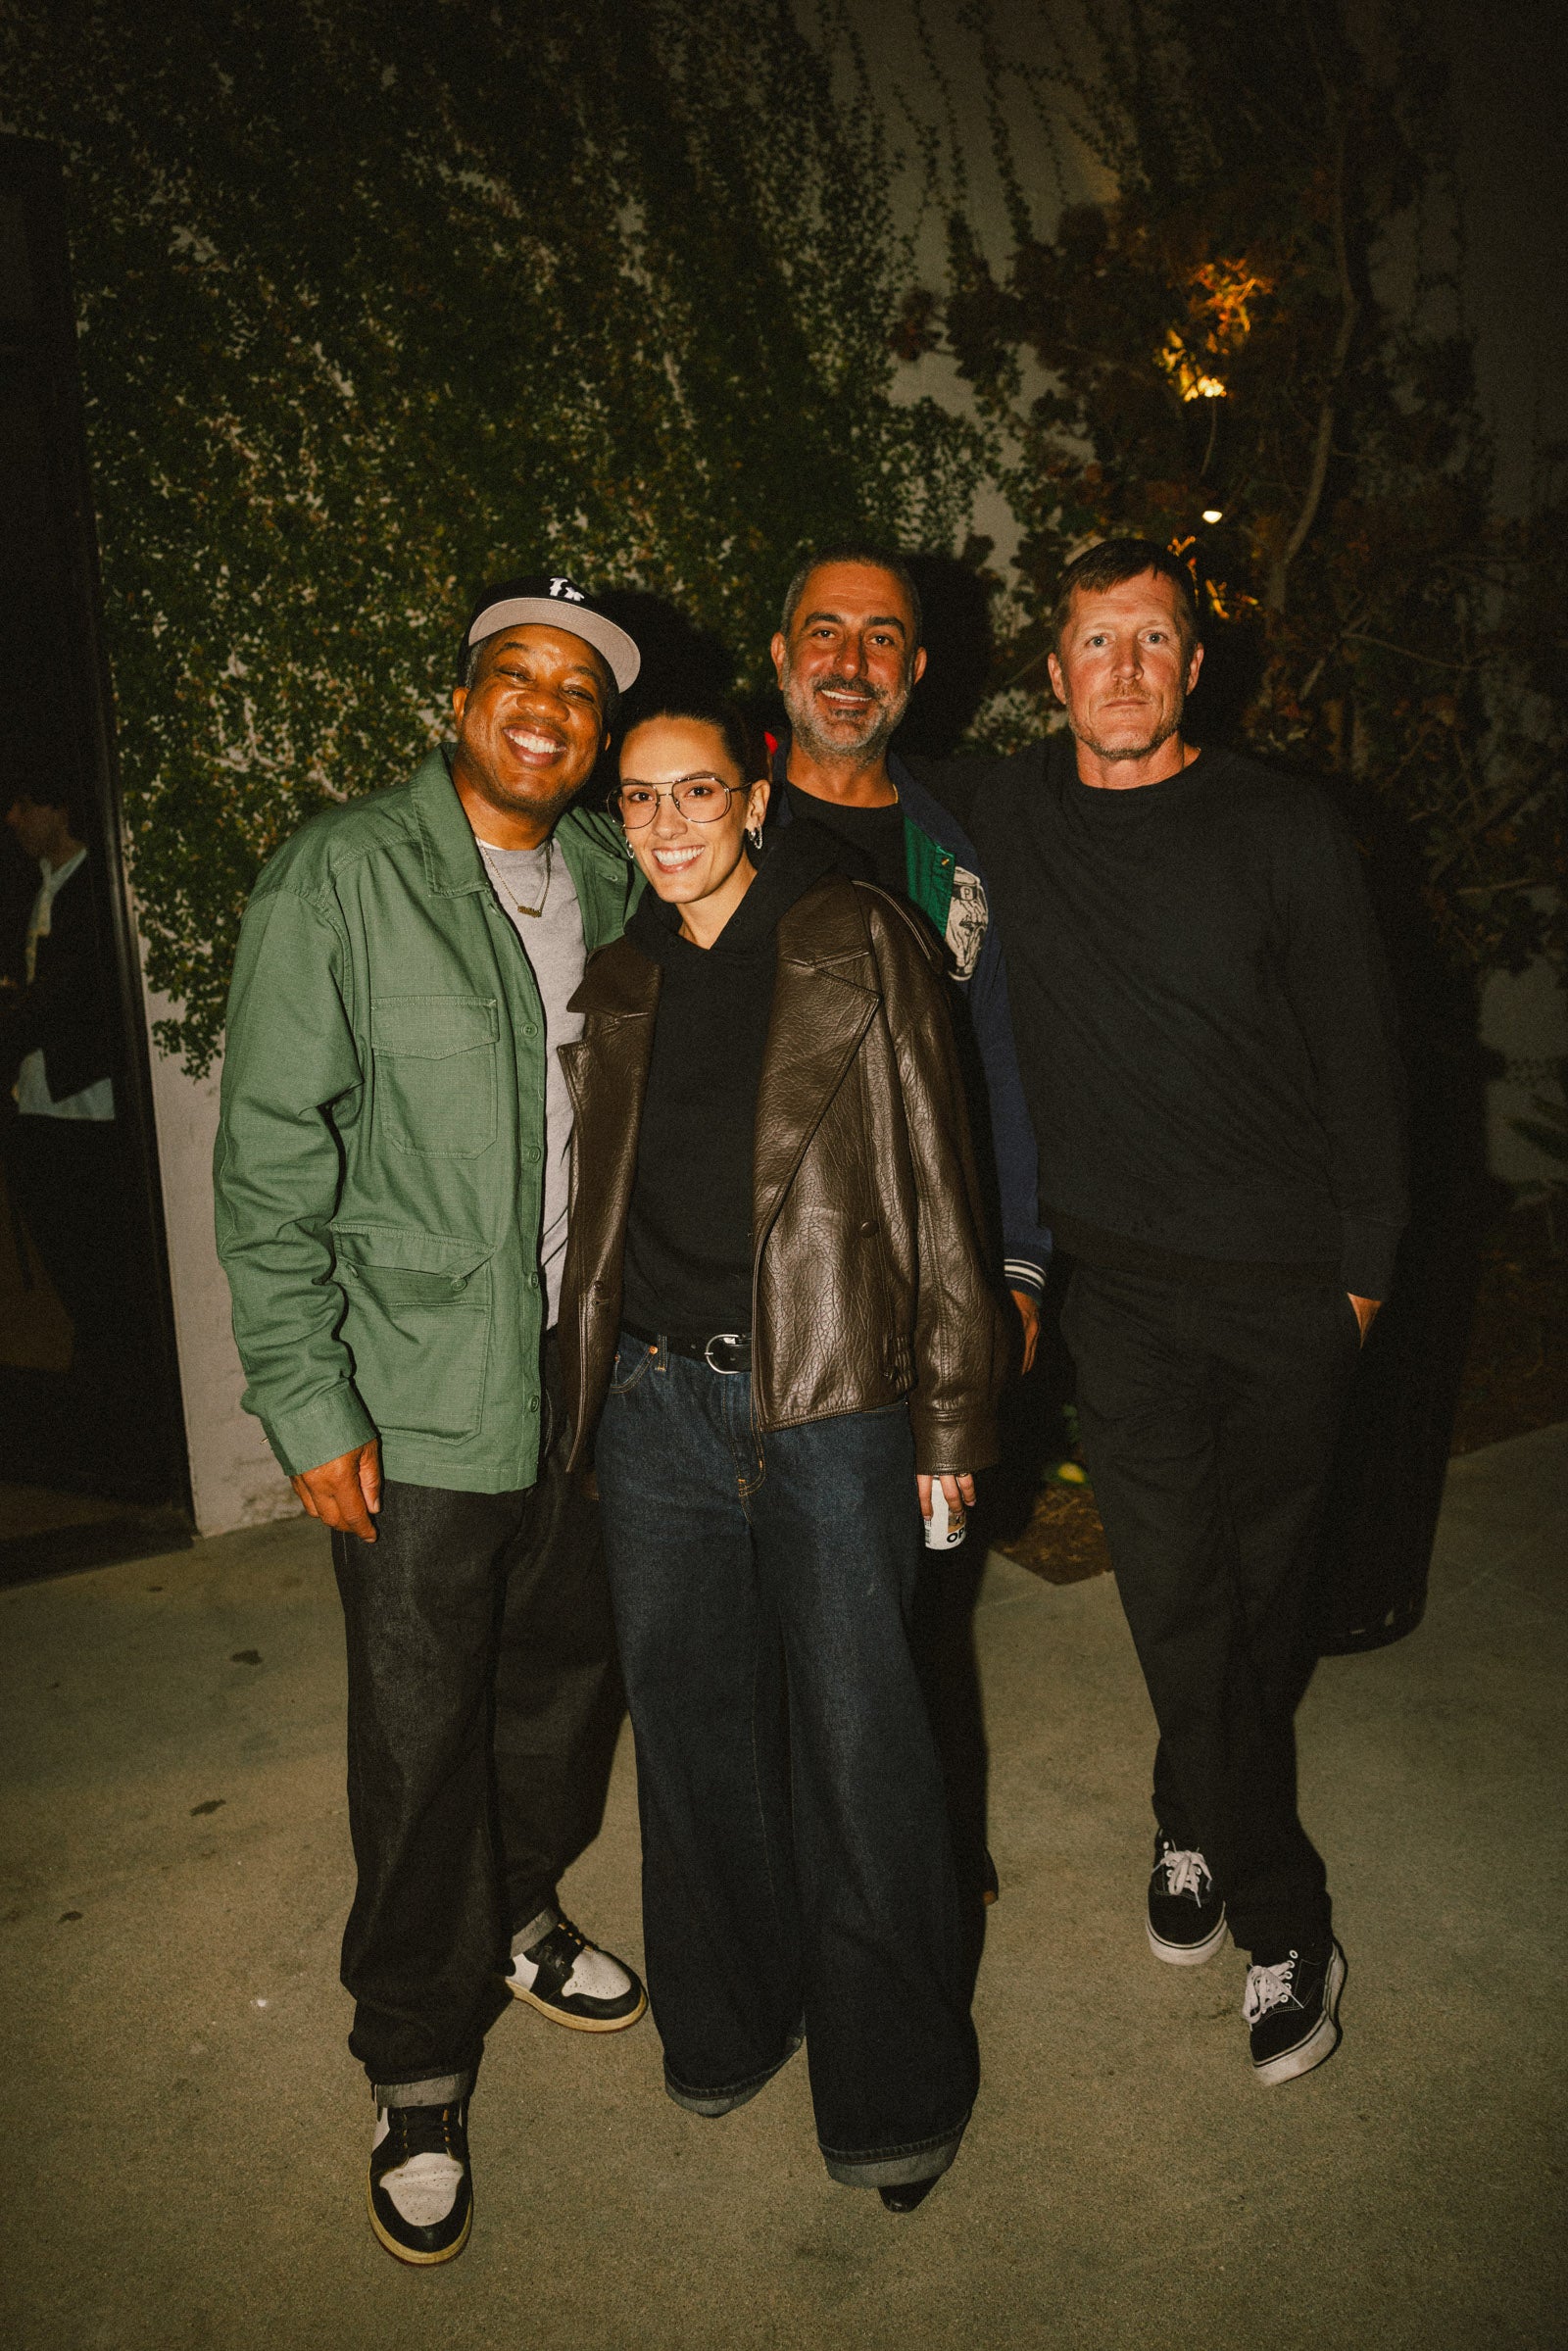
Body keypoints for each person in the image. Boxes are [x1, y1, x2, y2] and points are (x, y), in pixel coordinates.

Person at [909, 538, 1407, 2086]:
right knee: (1181, 1594)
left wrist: (1363, 1275)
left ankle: (1189, 1806)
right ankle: (1285, 1915)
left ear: (1194, 665)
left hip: (1288, 1292)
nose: (1121, 667)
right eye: (1093, 641)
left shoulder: (1282, 827)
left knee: (1261, 1598)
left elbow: (1365, 1059)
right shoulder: (1004, 810)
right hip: (1119, 1293)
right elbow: (844, 783)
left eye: (1151, 639)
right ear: (1052, 673)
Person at [215, 574, 650, 2267]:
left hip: (580, 1369)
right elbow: (271, 1155)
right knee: (416, 1726)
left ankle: (518, 1905)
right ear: (459, 701)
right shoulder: (342, 873)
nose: (545, 705)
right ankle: (414, 2052)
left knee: (561, 1674)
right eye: (514, 673)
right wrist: (306, 1394)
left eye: (578, 687)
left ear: (601, 732)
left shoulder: (612, 870)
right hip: (409, 1383)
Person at [559, 695, 1005, 2211]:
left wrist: (952, 1411)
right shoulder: (620, 978)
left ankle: (894, 2088)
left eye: (696, 791)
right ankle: (732, 2017)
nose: (667, 823)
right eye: (638, 798)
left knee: (861, 1746)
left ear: (754, 800)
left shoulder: (856, 938)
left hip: (830, 1396)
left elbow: (943, 1177)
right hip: (654, 1404)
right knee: (691, 1741)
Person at [766, 544, 1051, 1361]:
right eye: (825, 632)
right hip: (740, 1293)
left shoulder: (959, 858)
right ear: (782, 655)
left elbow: (1000, 1063)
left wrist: (1019, 1264)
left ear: (914, 667)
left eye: (881, 638)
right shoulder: (718, 831)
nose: (851, 664)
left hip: (919, 1295)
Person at [1, 783, 136, 1479]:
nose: (14, 820)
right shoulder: (40, 885)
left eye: (25, 806)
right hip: (39, 1096)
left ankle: (112, 1395)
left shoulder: (93, 887)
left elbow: (66, 998)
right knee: (65, 1248)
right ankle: (101, 1383)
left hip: (83, 1100)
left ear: (57, 808)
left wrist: (16, 1013)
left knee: (94, 1256)